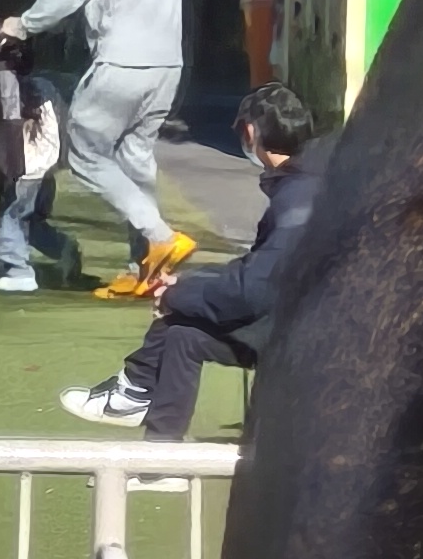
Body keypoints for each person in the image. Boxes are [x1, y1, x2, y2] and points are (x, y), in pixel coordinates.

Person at [62, 81, 327, 437]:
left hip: (304, 329)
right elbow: (261, 270)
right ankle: (155, 439)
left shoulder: (298, 197)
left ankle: (135, 396)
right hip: (308, 317)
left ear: (250, 133)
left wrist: (178, 295)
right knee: (182, 334)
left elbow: (254, 289)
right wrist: (189, 283)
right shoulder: (309, 182)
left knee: (182, 317)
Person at [0, 0, 192, 301]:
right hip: (167, 61)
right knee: (134, 158)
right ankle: (144, 269)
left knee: (84, 148)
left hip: (125, 57)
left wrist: (22, 25)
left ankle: (161, 237)